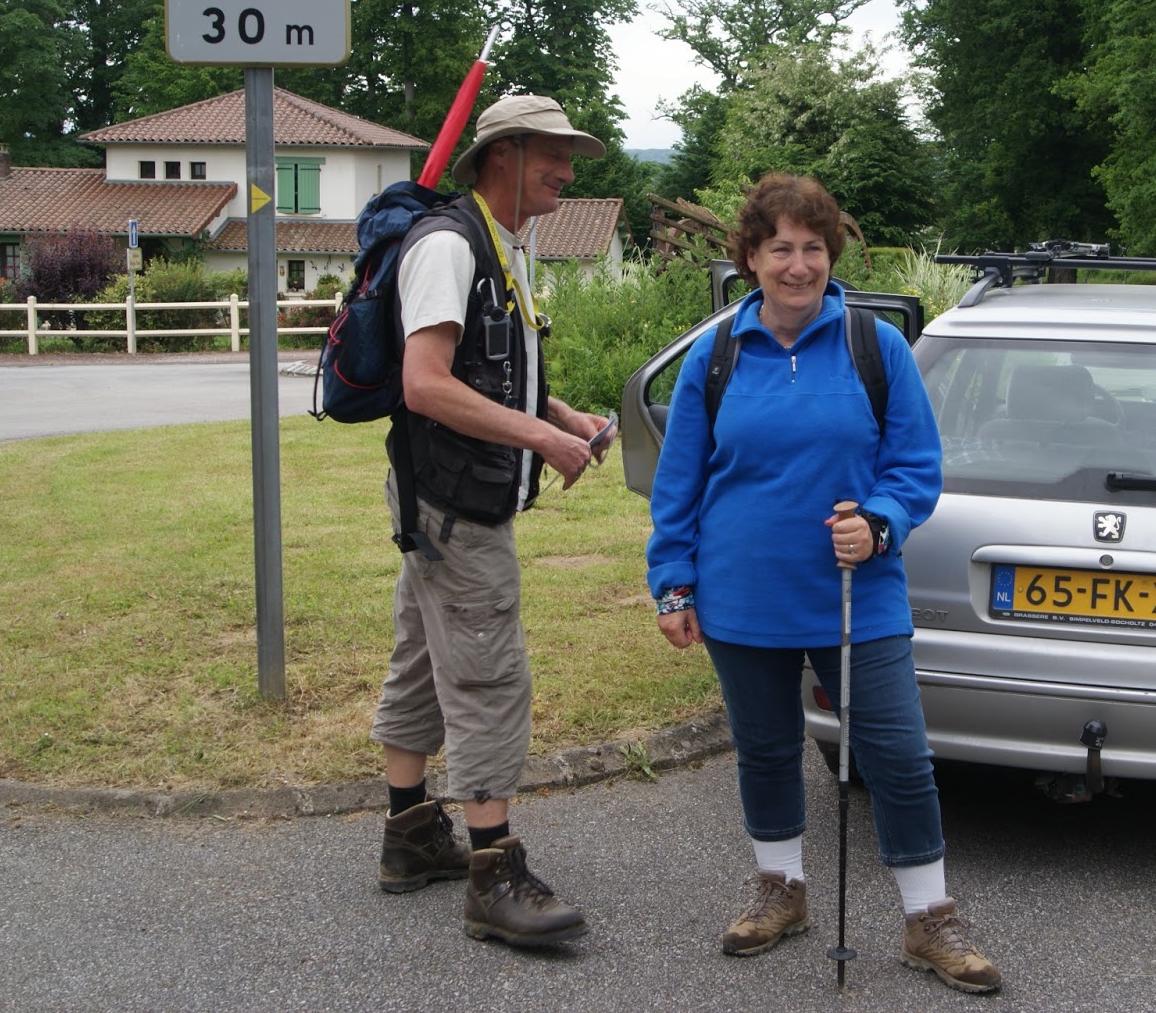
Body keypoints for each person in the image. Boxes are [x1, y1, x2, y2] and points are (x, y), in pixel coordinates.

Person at [645, 173, 1003, 994]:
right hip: (741, 594)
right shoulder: (716, 354)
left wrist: (878, 522)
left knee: (898, 757)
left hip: (856, 594)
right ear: (750, 257)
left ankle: (929, 915)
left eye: (813, 248)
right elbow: (679, 484)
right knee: (766, 748)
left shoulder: (876, 348)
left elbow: (915, 468)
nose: (798, 265)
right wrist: (673, 583)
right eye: (780, 248)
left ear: (830, 255)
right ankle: (781, 888)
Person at [370, 95, 613, 947]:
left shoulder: (494, 241)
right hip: (456, 506)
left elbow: (489, 369)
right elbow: (426, 383)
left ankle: (410, 834)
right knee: (487, 677)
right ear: (502, 155)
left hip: (438, 499)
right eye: (554, 154)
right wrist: (543, 439)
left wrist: (562, 414)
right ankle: (492, 873)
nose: (568, 172)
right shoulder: (450, 245)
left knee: (419, 657)